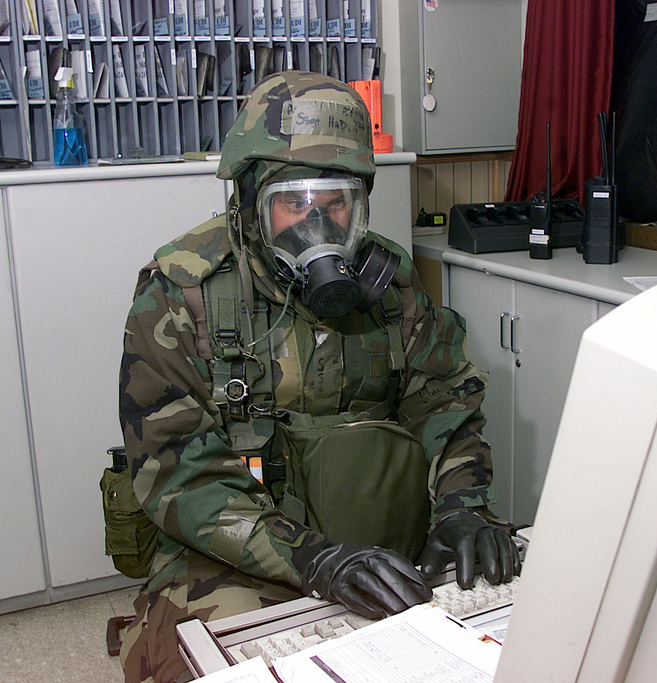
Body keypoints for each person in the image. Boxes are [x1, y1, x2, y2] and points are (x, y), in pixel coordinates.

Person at [117, 71, 520, 683]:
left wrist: (463, 508)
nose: (319, 227)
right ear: (251, 203)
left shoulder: (391, 283)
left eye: (336, 204)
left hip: (377, 533)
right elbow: (176, 474)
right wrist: (310, 557)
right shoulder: (182, 293)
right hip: (236, 544)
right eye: (295, 204)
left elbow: (446, 404)